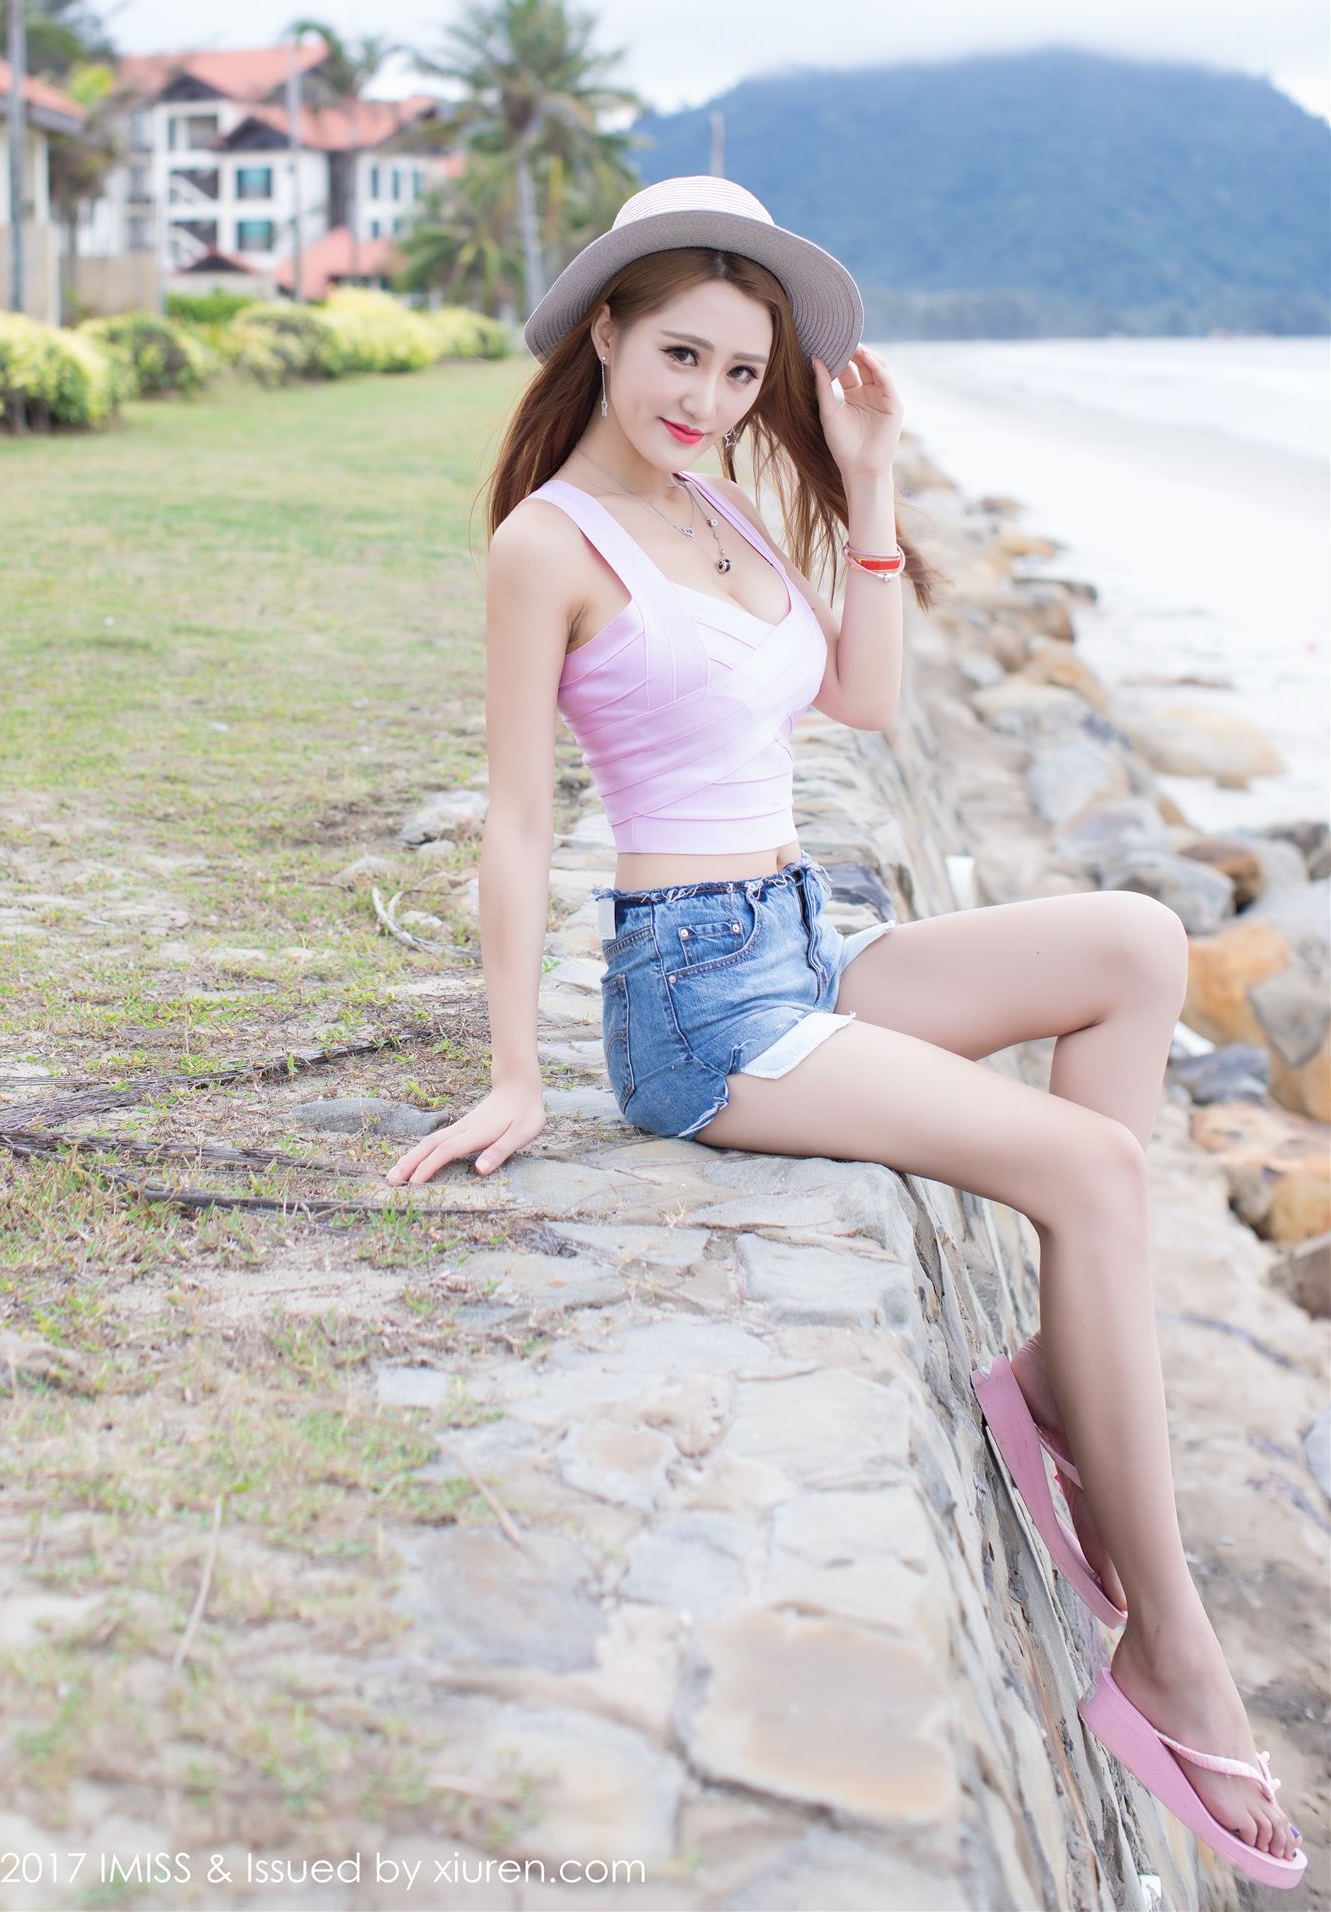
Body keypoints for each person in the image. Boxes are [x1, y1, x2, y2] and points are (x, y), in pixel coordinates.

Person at [384, 176, 1307, 1886]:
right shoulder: (549, 546)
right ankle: (1171, 1650)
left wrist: (869, 487)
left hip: (805, 944)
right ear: (604, 331)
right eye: (681, 356)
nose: (708, 399)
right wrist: (516, 1073)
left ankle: (1060, 1378)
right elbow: (514, 819)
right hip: (698, 1005)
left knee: (1134, 941)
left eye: (743, 372)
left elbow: (863, 698)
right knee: (1094, 1169)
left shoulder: (721, 505)